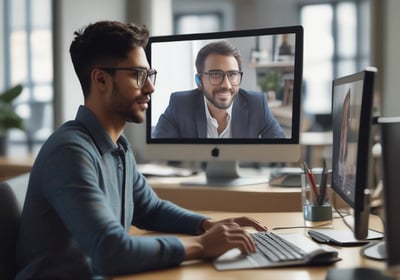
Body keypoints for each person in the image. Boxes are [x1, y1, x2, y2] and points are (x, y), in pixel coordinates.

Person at [14, 21, 268, 280]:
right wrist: (203, 245)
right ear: (100, 79)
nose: (150, 87)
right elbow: (110, 251)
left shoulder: (118, 147)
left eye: (150, 74)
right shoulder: (69, 152)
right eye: (138, 75)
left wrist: (207, 225)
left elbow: (149, 208)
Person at [152, 40, 285, 138]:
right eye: (215, 75)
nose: (226, 85)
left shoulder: (257, 104)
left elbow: (282, 150)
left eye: (232, 74)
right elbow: (158, 151)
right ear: (199, 81)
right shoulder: (179, 104)